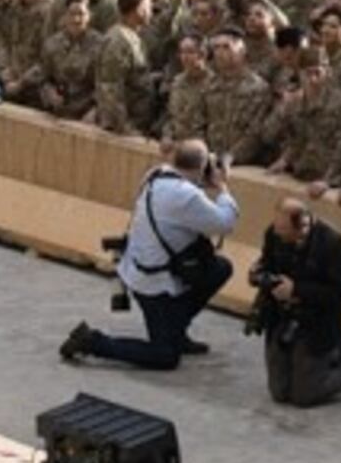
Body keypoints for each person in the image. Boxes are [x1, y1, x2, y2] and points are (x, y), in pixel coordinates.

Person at [65, 136, 237, 371]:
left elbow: (185, 191)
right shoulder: (186, 196)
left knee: (219, 268)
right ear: (200, 167)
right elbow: (224, 222)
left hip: (140, 267)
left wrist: (203, 178)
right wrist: (222, 187)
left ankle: (175, 330)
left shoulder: (156, 174)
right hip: (154, 284)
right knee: (165, 356)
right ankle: (93, 341)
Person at [247, 194, 341, 405]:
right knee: (280, 392)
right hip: (282, 318)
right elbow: (267, 263)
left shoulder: (332, 243)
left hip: (315, 321)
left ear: (300, 226)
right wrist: (260, 276)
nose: (278, 234)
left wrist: (297, 290)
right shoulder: (274, 234)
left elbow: (339, 292)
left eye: (284, 231)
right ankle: (328, 359)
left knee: (305, 395)